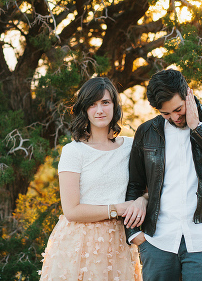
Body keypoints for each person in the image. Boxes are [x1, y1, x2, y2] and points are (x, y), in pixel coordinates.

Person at [124, 69, 202, 281]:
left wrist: (197, 128)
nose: (174, 117)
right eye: (166, 114)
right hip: (157, 241)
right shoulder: (146, 132)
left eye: (178, 109)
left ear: (188, 93)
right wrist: (133, 234)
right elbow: (134, 184)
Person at [39, 77, 149, 280]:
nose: (100, 110)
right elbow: (71, 210)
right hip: (79, 243)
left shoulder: (131, 146)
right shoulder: (73, 152)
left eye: (105, 102)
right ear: (84, 110)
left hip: (118, 242)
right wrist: (118, 208)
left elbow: (151, 186)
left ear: (114, 106)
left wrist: (142, 200)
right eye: (92, 104)